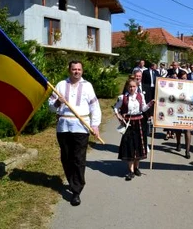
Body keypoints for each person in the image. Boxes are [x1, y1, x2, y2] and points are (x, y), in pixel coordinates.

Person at [48, 60, 101, 206]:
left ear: (82, 71)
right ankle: (72, 181)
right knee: (66, 158)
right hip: (63, 127)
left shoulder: (87, 86)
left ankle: (76, 190)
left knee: (78, 159)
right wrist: (58, 102)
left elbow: (95, 106)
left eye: (79, 69)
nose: (76, 71)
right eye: (74, 69)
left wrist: (95, 125)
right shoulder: (60, 85)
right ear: (69, 70)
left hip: (81, 127)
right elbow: (51, 107)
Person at [114, 78, 155, 181]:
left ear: (136, 87)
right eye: (130, 86)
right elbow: (116, 108)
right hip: (129, 124)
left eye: (134, 86)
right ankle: (131, 171)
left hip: (140, 123)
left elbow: (143, 109)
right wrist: (119, 117)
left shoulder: (140, 96)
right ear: (127, 87)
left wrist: (151, 103)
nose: (132, 88)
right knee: (130, 146)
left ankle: (136, 167)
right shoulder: (122, 97)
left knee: (139, 146)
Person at [173, 71, 192, 159]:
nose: (184, 79)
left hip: (187, 109)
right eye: (183, 78)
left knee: (187, 130)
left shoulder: (190, 86)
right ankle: (178, 143)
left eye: (185, 78)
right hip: (178, 108)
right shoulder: (176, 86)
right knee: (178, 129)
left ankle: (187, 150)